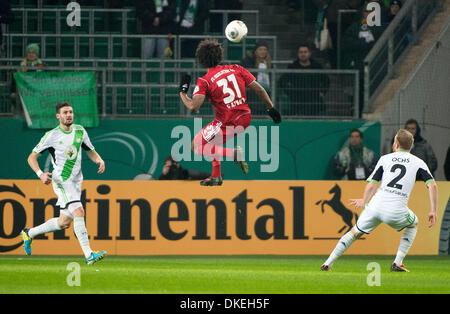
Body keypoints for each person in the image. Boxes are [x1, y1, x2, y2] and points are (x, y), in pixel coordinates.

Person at [321, 129, 438, 272]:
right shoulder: (419, 162)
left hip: (375, 206)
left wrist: (364, 200)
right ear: (411, 145)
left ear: (395, 144)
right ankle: (397, 262)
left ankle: (328, 263)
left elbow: (372, 184)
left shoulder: (385, 159)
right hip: (396, 210)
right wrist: (433, 210)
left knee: (354, 232)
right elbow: (432, 185)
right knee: (413, 223)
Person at [178, 39, 281, 186]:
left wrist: (182, 93)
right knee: (213, 140)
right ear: (220, 56)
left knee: (196, 146)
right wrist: (271, 108)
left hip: (227, 121)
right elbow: (260, 89)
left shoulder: (205, 81)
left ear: (201, 60)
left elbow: (194, 107)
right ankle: (216, 176)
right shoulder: (236, 68)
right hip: (245, 118)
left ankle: (233, 154)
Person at [22, 102, 107, 265]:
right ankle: (89, 254)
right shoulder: (51, 135)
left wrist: (99, 160)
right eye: (65, 112)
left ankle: (29, 233)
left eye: (71, 112)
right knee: (79, 211)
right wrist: (40, 174)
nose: (69, 115)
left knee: (64, 223)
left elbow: (90, 151)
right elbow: (31, 158)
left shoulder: (80, 131)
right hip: (62, 179)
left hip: (76, 181)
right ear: (58, 116)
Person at [278, 43, 330, 116]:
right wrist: (291, 93)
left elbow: (326, 80)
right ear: (298, 54)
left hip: (314, 100)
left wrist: (323, 91)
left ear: (309, 53)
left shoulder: (316, 66)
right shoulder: (293, 67)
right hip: (298, 101)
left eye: (305, 52)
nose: (303, 54)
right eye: (301, 52)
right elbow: (282, 81)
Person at [240, 41, 272, 114]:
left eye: (265, 50)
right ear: (255, 51)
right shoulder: (248, 61)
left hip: (266, 92)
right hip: (252, 92)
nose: (263, 52)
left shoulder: (269, 62)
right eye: (260, 49)